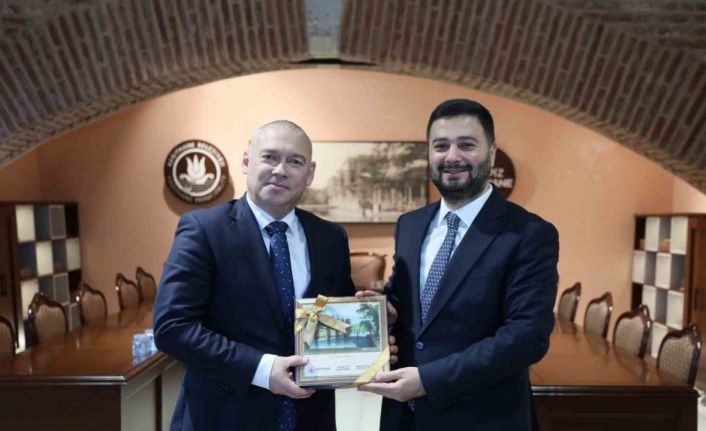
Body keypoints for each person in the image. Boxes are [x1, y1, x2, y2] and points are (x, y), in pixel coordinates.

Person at [359, 99, 560, 430]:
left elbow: (527, 336)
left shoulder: (528, 233)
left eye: (466, 145)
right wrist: (388, 311)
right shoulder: (410, 225)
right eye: (441, 146)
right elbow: (406, 298)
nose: (452, 156)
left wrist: (429, 380)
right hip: (404, 417)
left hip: (484, 417)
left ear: (491, 152)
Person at [153, 120, 356, 431]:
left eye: (295, 161)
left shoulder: (330, 238)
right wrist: (262, 369)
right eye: (270, 157)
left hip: (311, 419)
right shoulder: (204, 230)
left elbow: (333, 319)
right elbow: (172, 327)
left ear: (309, 173)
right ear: (247, 162)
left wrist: (372, 324)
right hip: (222, 419)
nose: (280, 170)